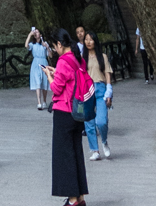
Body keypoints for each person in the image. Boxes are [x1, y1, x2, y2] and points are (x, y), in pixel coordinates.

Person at [47, 29, 91, 205]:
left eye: (54, 46)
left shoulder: (63, 61)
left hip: (64, 112)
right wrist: (56, 72)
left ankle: (72, 199)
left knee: (64, 155)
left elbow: (57, 88)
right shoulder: (78, 59)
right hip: (78, 112)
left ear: (59, 44)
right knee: (76, 152)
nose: (55, 50)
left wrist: (49, 76)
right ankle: (80, 196)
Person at [83, 33, 113, 161]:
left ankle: (104, 141)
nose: (88, 42)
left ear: (95, 41)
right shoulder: (82, 58)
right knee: (89, 122)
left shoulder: (103, 56)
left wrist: (109, 91)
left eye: (91, 39)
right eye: (86, 39)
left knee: (101, 121)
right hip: (87, 89)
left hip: (100, 89)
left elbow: (107, 74)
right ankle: (95, 150)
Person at [25, 26, 51, 112]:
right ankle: (39, 102)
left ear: (40, 34)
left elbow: (50, 55)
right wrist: (29, 35)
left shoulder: (44, 43)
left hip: (44, 63)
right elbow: (26, 45)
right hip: (36, 64)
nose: (36, 33)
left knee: (44, 82)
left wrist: (47, 47)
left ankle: (44, 101)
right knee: (38, 82)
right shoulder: (33, 44)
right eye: (35, 32)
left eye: (37, 32)